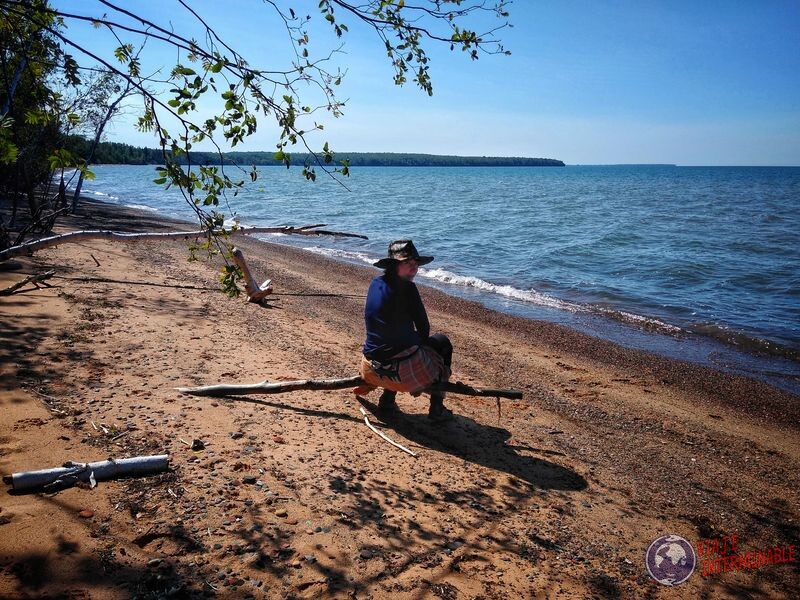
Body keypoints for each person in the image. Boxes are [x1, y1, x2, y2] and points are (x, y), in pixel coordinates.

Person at [359, 239, 454, 422]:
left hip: (371, 364)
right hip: (402, 372)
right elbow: (424, 329)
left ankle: (387, 400)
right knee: (442, 342)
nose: (414, 268)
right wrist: (418, 344)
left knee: (396, 344)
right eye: (408, 263)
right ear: (395, 265)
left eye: (415, 264)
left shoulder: (375, 283)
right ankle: (437, 408)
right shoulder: (408, 288)